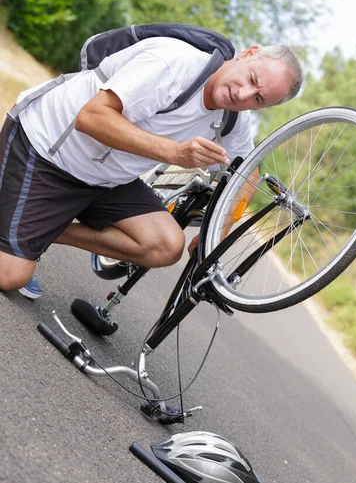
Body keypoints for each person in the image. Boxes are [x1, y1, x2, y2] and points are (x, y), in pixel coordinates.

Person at [0, 33, 303, 299]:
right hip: (45, 148)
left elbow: (246, 176)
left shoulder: (233, 119)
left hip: (105, 181)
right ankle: (26, 229)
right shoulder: (174, 63)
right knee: (10, 275)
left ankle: (44, 230)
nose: (243, 95)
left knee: (165, 246)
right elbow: (90, 117)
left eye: (258, 99)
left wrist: (217, 233)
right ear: (248, 54)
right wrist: (175, 152)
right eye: (251, 79)